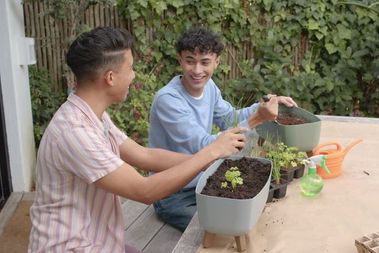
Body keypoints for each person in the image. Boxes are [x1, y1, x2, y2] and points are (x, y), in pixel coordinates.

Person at [28, 27, 246, 253]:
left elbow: (144, 156)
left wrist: (210, 162)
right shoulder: (75, 133)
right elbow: (144, 191)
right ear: (110, 78)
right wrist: (210, 152)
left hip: (100, 241)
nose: (134, 75)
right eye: (130, 68)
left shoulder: (93, 114)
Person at [148, 26, 297, 231]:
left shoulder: (209, 88)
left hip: (206, 181)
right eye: (190, 60)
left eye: (205, 62)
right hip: (172, 193)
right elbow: (203, 146)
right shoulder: (168, 100)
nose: (197, 70)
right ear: (180, 60)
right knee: (218, 231)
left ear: (217, 62)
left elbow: (231, 118)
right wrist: (256, 119)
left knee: (254, 218)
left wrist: (266, 104)